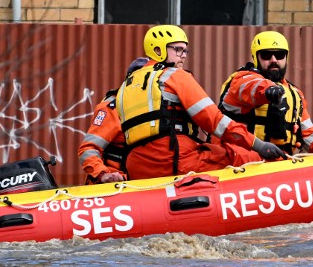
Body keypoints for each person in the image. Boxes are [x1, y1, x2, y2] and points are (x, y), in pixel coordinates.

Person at [115, 25, 287, 180]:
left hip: (137, 167)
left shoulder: (125, 87)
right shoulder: (175, 75)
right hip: (174, 160)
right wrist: (258, 145)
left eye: (185, 51)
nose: (183, 56)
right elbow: (213, 120)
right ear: (158, 50)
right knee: (244, 156)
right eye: (178, 50)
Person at [218, 30, 313, 155]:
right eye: (266, 55)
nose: (273, 60)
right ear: (255, 57)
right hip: (240, 162)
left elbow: (309, 133)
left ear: (286, 58)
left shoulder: (294, 93)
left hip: (279, 163)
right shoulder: (242, 79)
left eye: (279, 55)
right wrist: (268, 90)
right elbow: (252, 86)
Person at [78, 57, 150, 184]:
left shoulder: (156, 109)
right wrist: (103, 174)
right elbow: (88, 149)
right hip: (112, 184)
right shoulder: (112, 108)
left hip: (141, 183)